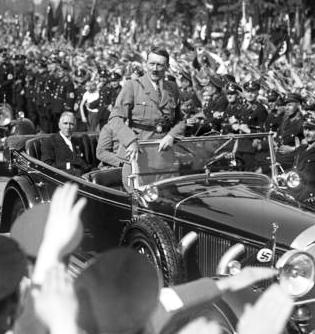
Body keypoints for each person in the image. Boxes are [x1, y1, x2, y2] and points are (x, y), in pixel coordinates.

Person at [108, 46, 185, 190]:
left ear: (167, 67)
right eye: (152, 64)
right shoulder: (132, 86)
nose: (155, 69)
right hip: (138, 158)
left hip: (164, 160)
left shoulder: (172, 88)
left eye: (160, 65)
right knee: (138, 205)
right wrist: (130, 141)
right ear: (146, 64)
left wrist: (172, 135)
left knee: (166, 202)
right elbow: (115, 118)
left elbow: (181, 120)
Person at [41, 112, 91, 176]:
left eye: (71, 124)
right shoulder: (49, 142)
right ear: (59, 125)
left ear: (75, 127)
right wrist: (71, 166)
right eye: (65, 123)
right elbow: (47, 165)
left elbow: (85, 163)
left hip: (82, 176)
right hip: (61, 178)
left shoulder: (78, 142)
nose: (68, 127)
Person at [289, 116, 315, 204]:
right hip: (293, 194)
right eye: (305, 129)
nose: (307, 133)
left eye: (311, 130)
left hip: (308, 200)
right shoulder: (301, 149)